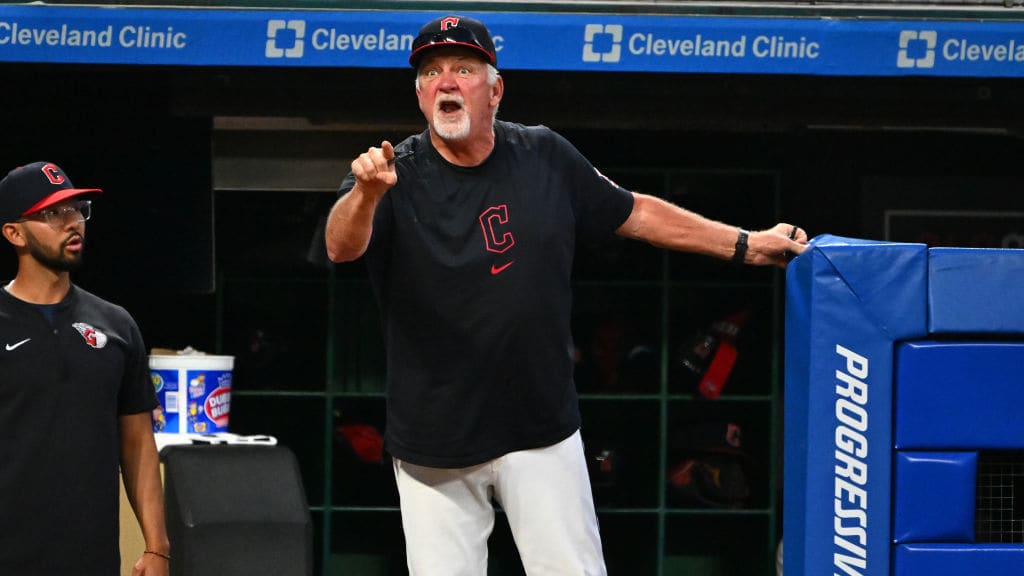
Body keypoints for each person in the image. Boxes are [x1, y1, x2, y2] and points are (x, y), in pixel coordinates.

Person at [325, 14, 809, 576]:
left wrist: (746, 244)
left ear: (495, 90)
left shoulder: (543, 154)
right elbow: (341, 247)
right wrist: (365, 195)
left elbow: (636, 212)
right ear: (419, 95)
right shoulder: (390, 173)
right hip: (434, 440)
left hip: (539, 428)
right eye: (431, 73)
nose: (446, 82)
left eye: (463, 68)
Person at [0, 161, 170, 576]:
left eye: (77, 209)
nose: (72, 222)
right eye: (52, 213)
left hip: (89, 558)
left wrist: (157, 547)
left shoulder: (116, 325)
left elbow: (138, 442)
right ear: (14, 233)